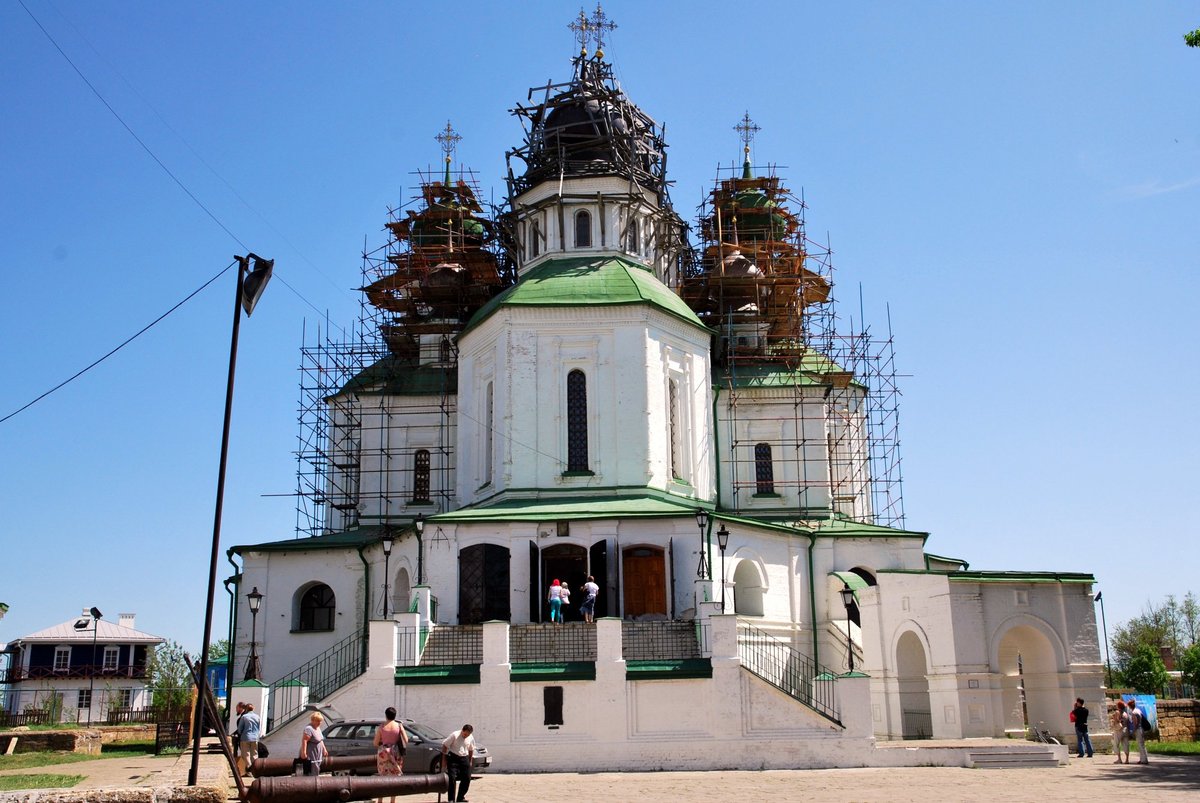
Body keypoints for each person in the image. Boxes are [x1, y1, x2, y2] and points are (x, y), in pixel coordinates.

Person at [374, 706, 409, 801]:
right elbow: (406, 740)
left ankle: (380, 800)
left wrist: (383, 742)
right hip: (396, 754)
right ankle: (392, 801)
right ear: (395, 715)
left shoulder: (381, 727)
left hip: (384, 755)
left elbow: (375, 743)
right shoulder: (399, 726)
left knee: (382, 779)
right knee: (395, 779)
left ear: (386, 716)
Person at [441, 724, 475, 803]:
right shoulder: (454, 735)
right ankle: (451, 799)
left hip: (464, 757)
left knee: (467, 778)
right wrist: (444, 760)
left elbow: (471, 749)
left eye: (468, 734)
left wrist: (470, 761)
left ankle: (460, 797)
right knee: (452, 778)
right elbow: (445, 745)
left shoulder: (470, 737)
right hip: (453, 758)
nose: (466, 736)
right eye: (465, 734)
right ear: (462, 730)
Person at [236, 702, 261, 777]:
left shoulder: (244, 717)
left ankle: (250, 769)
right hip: (255, 737)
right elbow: (259, 727)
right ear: (253, 709)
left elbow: (240, 729)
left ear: (246, 709)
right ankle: (256, 769)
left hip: (245, 737)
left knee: (246, 754)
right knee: (255, 754)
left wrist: (240, 733)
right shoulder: (257, 717)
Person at [1127, 699, 1149, 764]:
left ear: (1130, 706)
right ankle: (1143, 758)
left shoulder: (1134, 713)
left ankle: (1144, 760)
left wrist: (1133, 731)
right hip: (1141, 728)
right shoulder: (1138, 710)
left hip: (1138, 729)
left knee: (1140, 744)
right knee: (1142, 744)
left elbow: (1135, 723)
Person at [1111, 699, 1130, 764]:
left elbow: (1117, 720)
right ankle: (1127, 759)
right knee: (1126, 744)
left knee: (1116, 743)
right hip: (1125, 729)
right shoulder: (1125, 713)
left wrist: (1114, 718)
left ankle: (1119, 759)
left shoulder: (1117, 712)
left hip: (1119, 730)